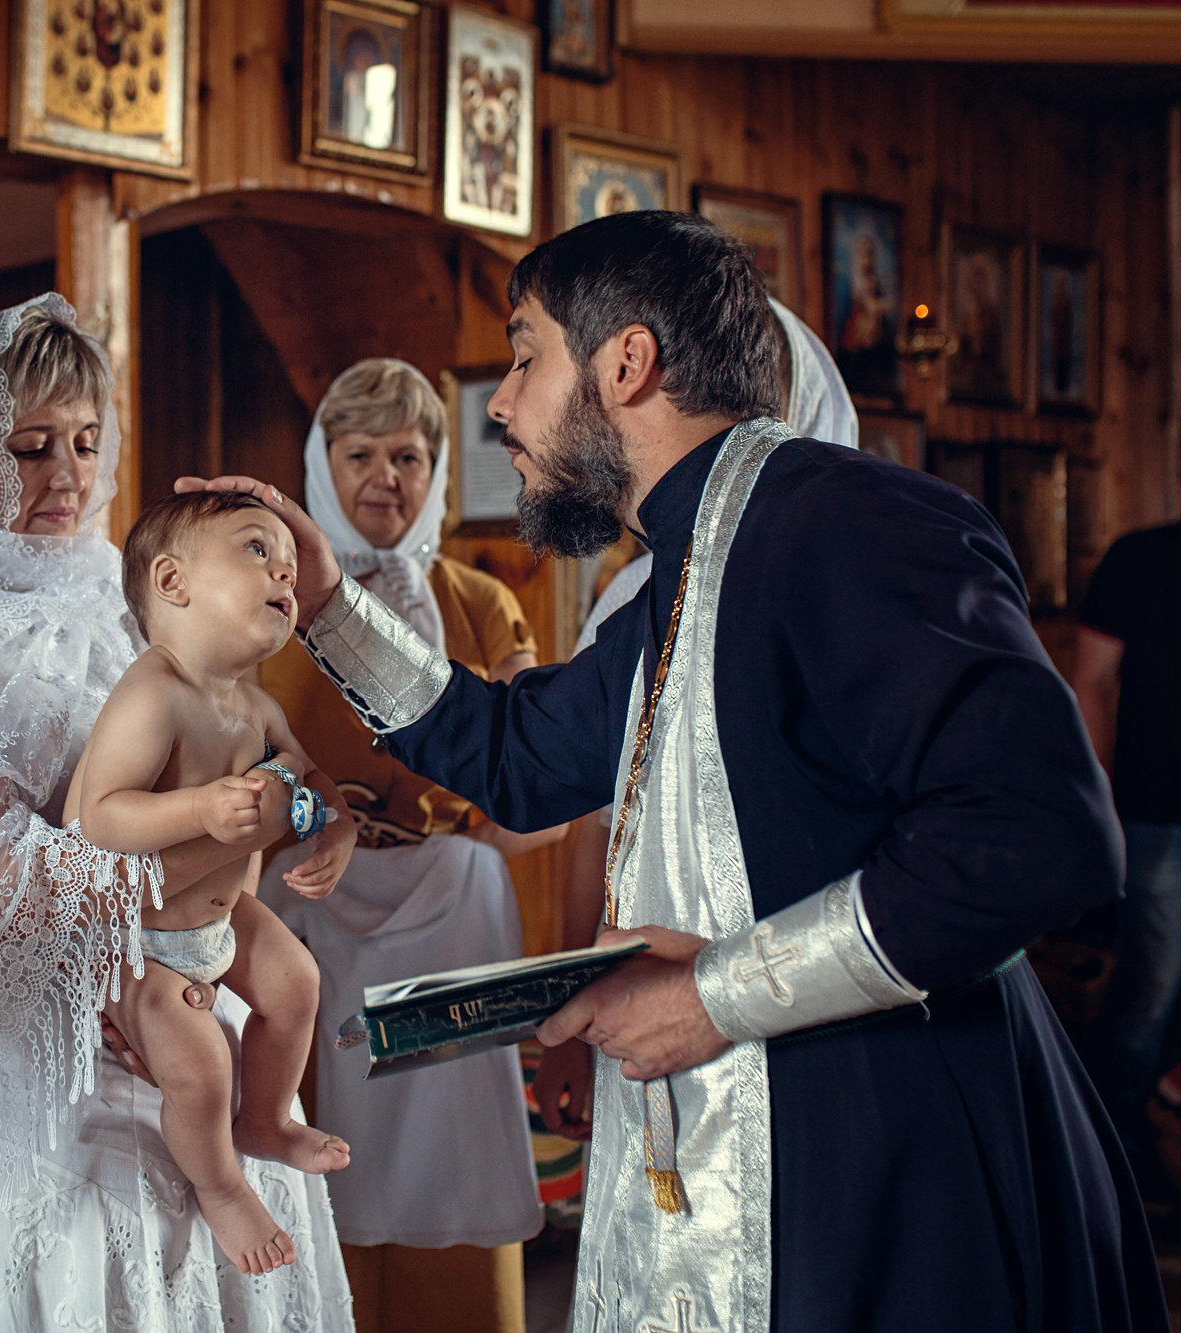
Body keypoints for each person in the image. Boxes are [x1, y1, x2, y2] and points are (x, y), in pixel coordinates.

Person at [190, 210, 1164, 1332]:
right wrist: (322, 603)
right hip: (773, 1144)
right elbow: (516, 756)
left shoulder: (845, 518)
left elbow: (1035, 835)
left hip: (896, 1162)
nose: (499, 402)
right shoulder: (683, 569)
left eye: (521, 355)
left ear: (625, 362)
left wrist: (711, 995)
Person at [0, 295, 355, 1331]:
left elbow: (237, 728)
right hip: (57, 1038)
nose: (64, 474)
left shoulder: (126, 589)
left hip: (199, 996)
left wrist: (295, 806)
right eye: (25, 447)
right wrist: (154, 923)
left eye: (83, 441)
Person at [254, 357, 561, 1324]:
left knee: (472, 879)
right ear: (321, 465)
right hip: (302, 881)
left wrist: (487, 811)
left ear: (437, 471)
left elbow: (535, 773)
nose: (384, 476)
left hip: (442, 889)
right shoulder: (267, 596)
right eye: (359, 454)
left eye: (409, 455)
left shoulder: (479, 601)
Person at [533, 295, 860, 1139]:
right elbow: (592, 820)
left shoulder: (849, 574)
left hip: (819, 985)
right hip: (646, 987)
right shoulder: (633, 598)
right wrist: (567, 1018)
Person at [73, 490, 353, 1277]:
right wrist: (197, 805)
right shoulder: (152, 690)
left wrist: (342, 827)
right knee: (198, 1069)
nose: (285, 574)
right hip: (145, 943)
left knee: (297, 981)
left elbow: (312, 779)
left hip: (224, 921)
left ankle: (265, 1119)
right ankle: (222, 1183)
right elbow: (100, 815)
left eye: (291, 568)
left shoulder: (255, 702)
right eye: (258, 550)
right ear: (173, 580)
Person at [1075, 520, 1181, 1190]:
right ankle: (1108, 1163)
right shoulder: (1140, 558)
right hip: (1153, 812)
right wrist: (1099, 801)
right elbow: (1091, 682)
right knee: (1148, 990)